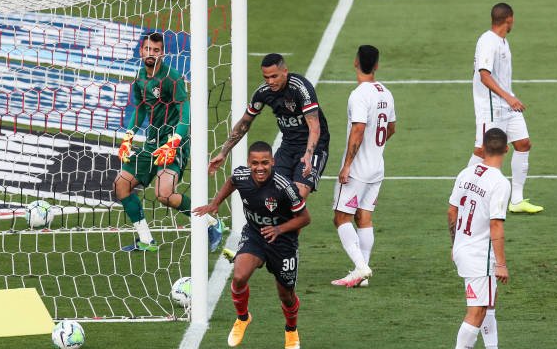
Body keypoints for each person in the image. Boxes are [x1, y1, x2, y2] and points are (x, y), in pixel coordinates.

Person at [113, 32, 226, 253]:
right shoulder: (140, 79)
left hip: (175, 141)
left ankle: (212, 223)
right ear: (141, 51)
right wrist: (128, 137)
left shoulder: (172, 78)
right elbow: (140, 110)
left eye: (156, 50)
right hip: (152, 141)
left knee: (164, 194)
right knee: (121, 184)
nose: (151, 54)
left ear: (162, 53)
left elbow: (185, 111)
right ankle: (146, 239)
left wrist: (175, 140)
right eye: (147, 49)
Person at [193, 141, 311, 349]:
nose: (259, 167)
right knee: (239, 276)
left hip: (283, 241)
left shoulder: (285, 187)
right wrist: (216, 202)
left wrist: (279, 229)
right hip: (255, 234)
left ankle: (291, 329)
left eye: (265, 163)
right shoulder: (242, 176)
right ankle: (243, 318)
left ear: (272, 162)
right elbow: (231, 181)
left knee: (286, 294)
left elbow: (305, 218)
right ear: (248, 163)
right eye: (254, 163)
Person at [445, 127, 518, 349]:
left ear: (483, 148)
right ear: (506, 150)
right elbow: (496, 225)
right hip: (479, 254)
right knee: (476, 310)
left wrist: (455, 245)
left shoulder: (466, 173)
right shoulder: (499, 182)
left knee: (489, 300)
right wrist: (501, 264)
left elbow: (451, 212)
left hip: (464, 248)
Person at [208, 53, 330, 199]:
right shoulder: (263, 92)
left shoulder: (301, 88)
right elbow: (244, 124)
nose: (270, 81)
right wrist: (223, 152)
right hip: (288, 146)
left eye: (274, 76)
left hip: (314, 146)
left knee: (297, 197)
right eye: (266, 77)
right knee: (272, 194)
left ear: (285, 71)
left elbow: (314, 127)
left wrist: (308, 156)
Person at [331, 45, 396, 288]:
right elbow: (391, 128)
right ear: (377, 65)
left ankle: (361, 266)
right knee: (364, 217)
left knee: (341, 218)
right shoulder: (386, 93)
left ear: (355, 62)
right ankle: (362, 275)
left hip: (358, 170)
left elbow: (358, 129)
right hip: (377, 166)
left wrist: (347, 165)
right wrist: (375, 147)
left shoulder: (359, 95)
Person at [468, 2, 543, 214]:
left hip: (507, 106)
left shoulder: (502, 41)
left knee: (523, 143)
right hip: (492, 108)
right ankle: (464, 192)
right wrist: (509, 98)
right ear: (508, 19)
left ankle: (516, 201)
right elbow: (484, 75)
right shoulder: (487, 41)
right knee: (482, 151)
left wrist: (510, 99)